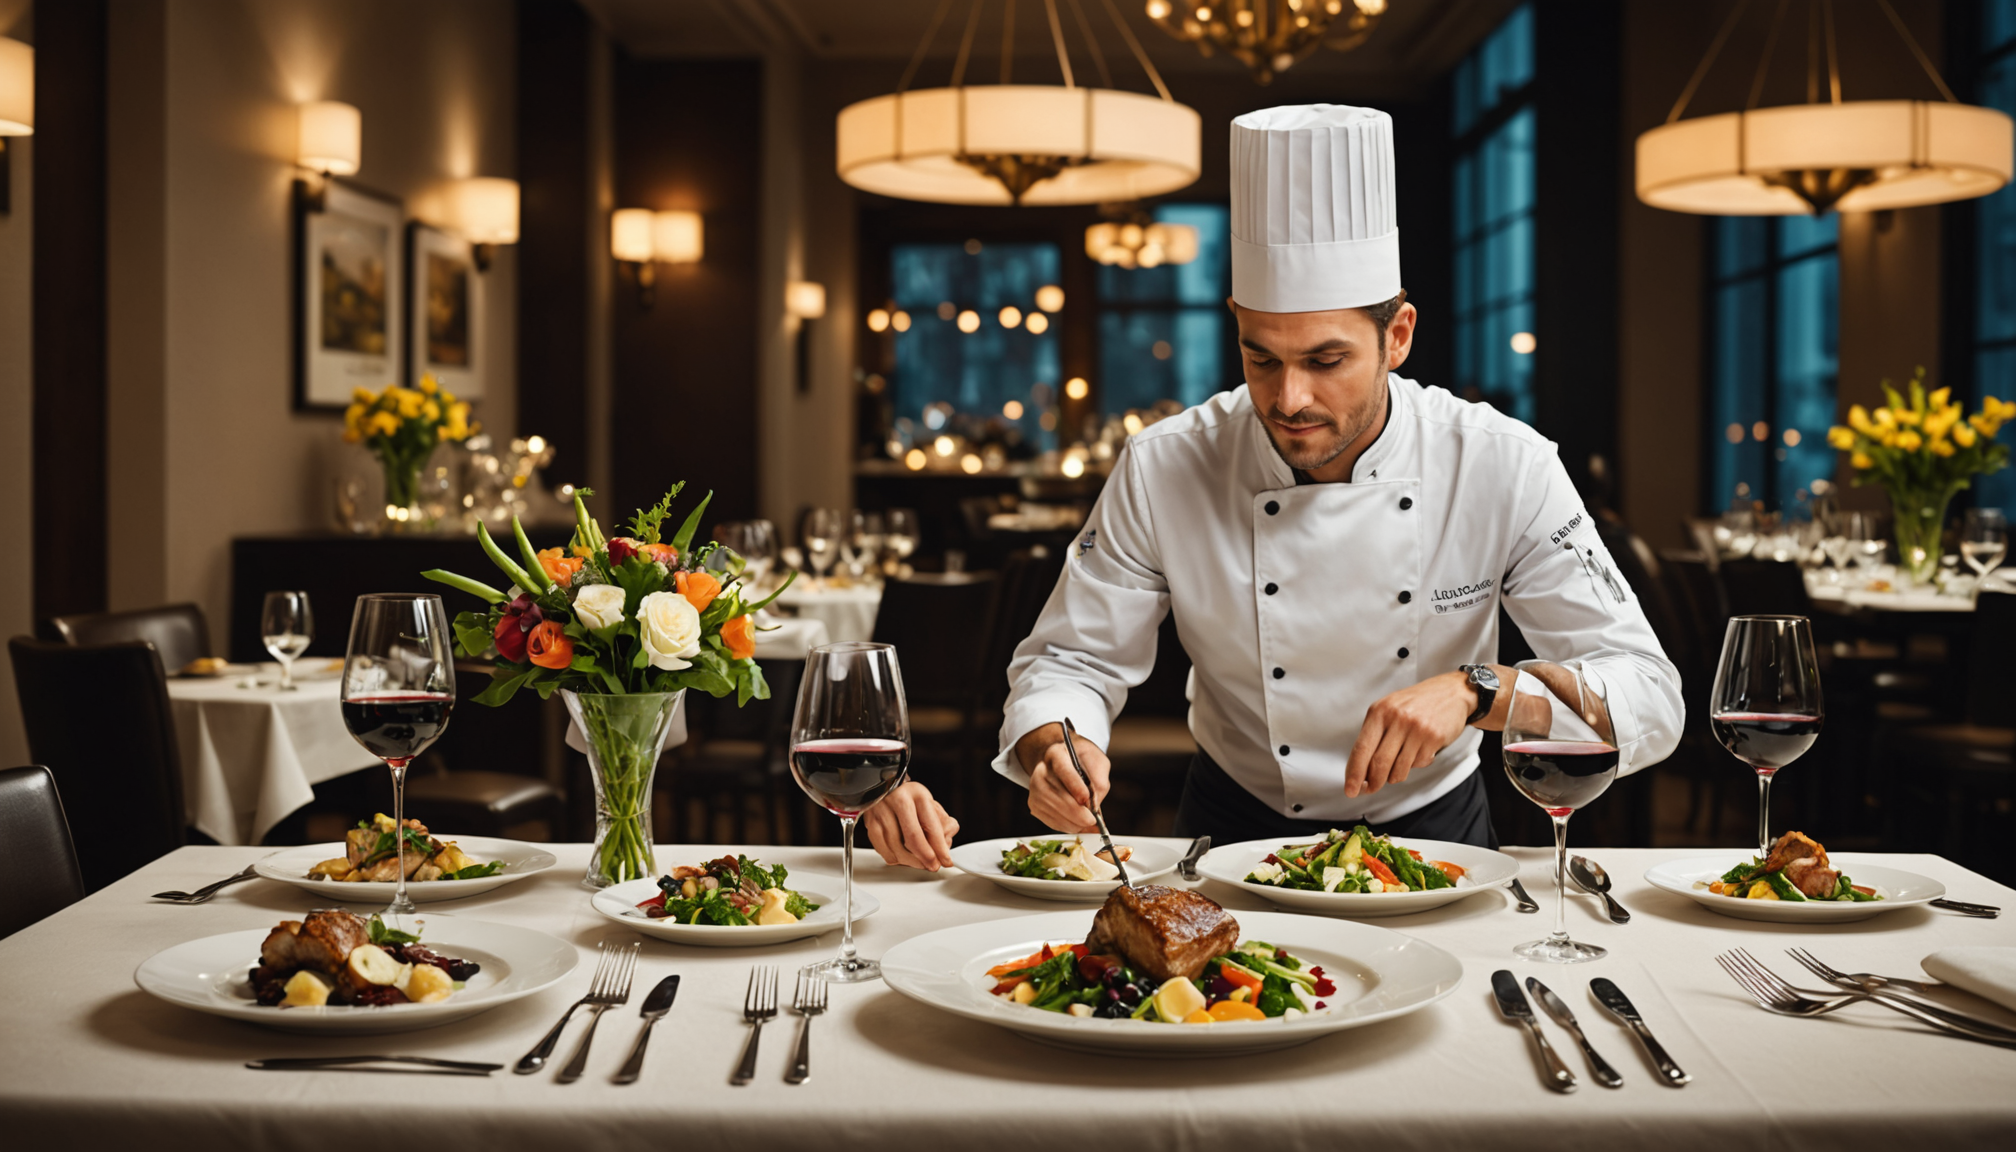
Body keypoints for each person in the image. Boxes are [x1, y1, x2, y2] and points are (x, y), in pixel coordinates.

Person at [865, 103, 1683, 867]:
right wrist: (1061, 745)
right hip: (1230, 833)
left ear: (1397, 336)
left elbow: (1649, 696)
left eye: (1326, 361)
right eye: (1261, 357)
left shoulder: (1503, 463)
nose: (1289, 399)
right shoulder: (1166, 463)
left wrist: (1483, 691)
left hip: (1435, 840)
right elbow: (1071, 658)